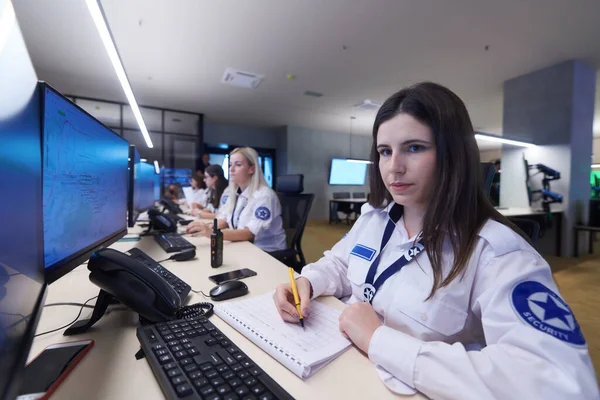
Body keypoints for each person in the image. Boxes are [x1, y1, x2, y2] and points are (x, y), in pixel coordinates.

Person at [273, 82, 598, 399]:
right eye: (385, 151)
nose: (394, 168)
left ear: (453, 155)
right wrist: (308, 282)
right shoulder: (375, 218)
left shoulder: (497, 252)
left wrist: (378, 340)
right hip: (338, 372)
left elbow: (563, 383)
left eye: (414, 148)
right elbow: (341, 263)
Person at [187, 147, 286, 252]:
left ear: (251, 169)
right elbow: (224, 219)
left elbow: (249, 234)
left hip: (266, 252)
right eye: (230, 165)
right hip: (245, 247)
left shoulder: (264, 196)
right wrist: (207, 227)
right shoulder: (236, 193)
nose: (231, 169)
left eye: (238, 165)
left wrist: (212, 233)